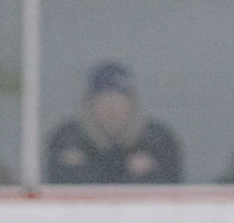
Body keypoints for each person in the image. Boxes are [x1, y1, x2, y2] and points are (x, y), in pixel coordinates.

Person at [46, 62, 182, 185]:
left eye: (118, 102)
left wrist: (146, 175)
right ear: (89, 105)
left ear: (132, 104)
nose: (111, 110)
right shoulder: (68, 139)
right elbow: (59, 185)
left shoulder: (158, 141)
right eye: (104, 102)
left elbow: (170, 190)